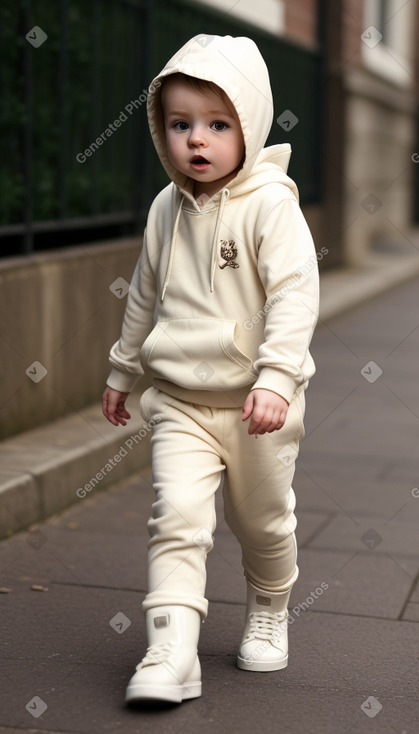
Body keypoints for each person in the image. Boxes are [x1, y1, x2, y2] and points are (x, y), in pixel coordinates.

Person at [102, 33, 319, 705]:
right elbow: (144, 292)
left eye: (217, 125)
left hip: (256, 406)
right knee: (177, 518)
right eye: (179, 124)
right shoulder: (165, 209)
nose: (196, 140)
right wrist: (122, 370)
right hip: (178, 400)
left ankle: (269, 605)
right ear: (160, 129)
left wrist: (275, 378)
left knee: (261, 522)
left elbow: (293, 293)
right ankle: (170, 649)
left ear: (248, 126)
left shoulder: (270, 204)